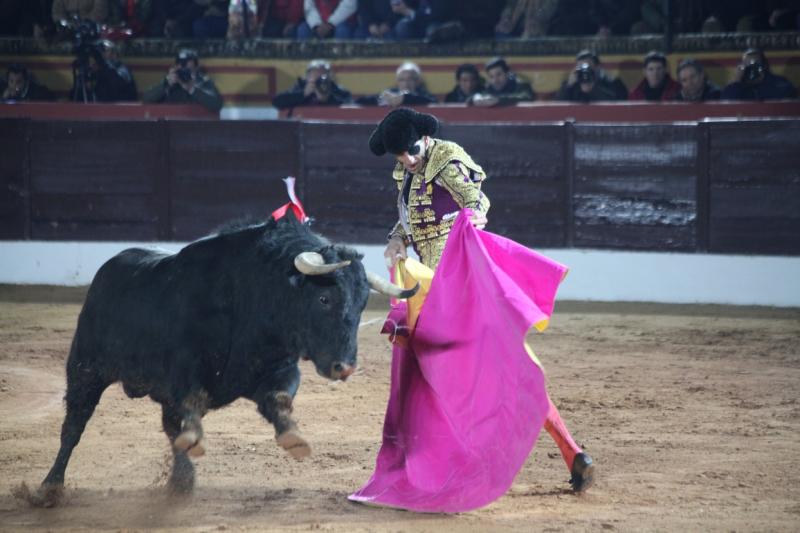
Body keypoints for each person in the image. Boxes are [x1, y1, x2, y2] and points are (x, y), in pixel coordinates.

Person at [351, 109, 595, 511]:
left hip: (462, 288)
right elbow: (407, 221)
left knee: (491, 375)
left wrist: (476, 214)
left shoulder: (446, 157)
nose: (408, 161)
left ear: (423, 140)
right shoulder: (406, 173)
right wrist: (396, 239)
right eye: (399, 156)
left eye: (411, 151)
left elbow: (475, 199)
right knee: (451, 377)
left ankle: (570, 451)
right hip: (429, 289)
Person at [142, 48, 223, 113]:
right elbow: (146, 99)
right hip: (172, 126)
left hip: (198, 127)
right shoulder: (170, 83)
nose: (183, 69)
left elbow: (217, 105)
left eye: (187, 68)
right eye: (180, 65)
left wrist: (192, 89)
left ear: (196, 68)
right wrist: (166, 84)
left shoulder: (204, 83)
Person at [70, 40, 138, 102]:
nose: (102, 55)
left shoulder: (122, 70)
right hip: (98, 109)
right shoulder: (93, 71)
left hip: (121, 108)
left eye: (105, 51)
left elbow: (115, 88)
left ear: (115, 53)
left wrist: (102, 66)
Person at [272, 59, 352, 109]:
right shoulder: (301, 87)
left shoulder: (336, 89)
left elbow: (349, 106)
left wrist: (327, 98)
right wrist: (303, 94)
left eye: (323, 73)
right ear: (308, 76)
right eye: (315, 73)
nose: (319, 77)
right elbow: (277, 101)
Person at [721, 48, 797, 101]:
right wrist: (737, 81)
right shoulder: (737, 86)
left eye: (756, 66)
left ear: (765, 66)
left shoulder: (779, 84)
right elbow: (725, 105)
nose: (752, 70)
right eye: (748, 66)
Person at [556, 50, 628, 102]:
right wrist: (568, 86)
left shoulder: (612, 82)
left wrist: (593, 89)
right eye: (580, 67)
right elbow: (558, 105)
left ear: (597, 67)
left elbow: (618, 103)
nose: (584, 70)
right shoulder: (573, 84)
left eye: (587, 66)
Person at [357, 62, 436, 107]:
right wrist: (382, 99)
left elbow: (433, 102)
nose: (406, 83)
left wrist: (405, 98)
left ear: (418, 81)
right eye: (402, 80)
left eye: (410, 79)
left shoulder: (424, 95)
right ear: (397, 82)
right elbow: (360, 101)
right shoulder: (392, 93)